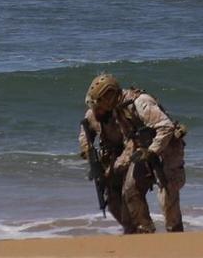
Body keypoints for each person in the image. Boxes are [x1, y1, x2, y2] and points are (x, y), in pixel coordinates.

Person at [78, 72, 187, 233]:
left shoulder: (140, 103)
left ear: (108, 98)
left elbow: (166, 127)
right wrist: (92, 158)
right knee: (129, 189)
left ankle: (176, 233)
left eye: (99, 106)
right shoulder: (115, 110)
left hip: (167, 147)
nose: (96, 111)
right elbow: (89, 133)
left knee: (167, 193)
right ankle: (143, 231)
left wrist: (151, 151)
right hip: (143, 150)